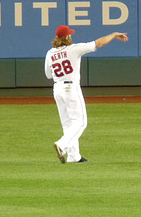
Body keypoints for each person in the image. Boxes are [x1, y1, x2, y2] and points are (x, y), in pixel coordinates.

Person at [44, 25, 128, 164]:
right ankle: (62, 145)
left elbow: (48, 75)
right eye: (69, 34)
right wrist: (113, 35)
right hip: (71, 88)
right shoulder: (74, 48)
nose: (71, 36)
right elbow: (99, 43)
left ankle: (74, 156)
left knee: (68, 124)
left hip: (57, 89)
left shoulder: (50, 53)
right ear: (67, 37)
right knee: (80, 122)